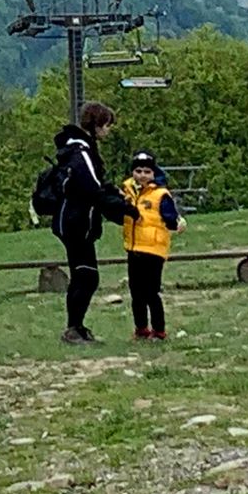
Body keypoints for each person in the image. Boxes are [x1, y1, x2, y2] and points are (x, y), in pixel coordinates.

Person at [51, 100, 137, 346]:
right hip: (75, 222)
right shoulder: (81, 153)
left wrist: (114, 195)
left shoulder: (80, 149)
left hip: (75, 221)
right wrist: (124, 211)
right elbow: (93, 190)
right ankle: (73, 329)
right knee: (86, 276)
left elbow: (98, 185)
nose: (108, 131)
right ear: (96, 125)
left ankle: (76, 326)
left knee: (85, 275)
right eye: (107, 125)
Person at [120, 152, 184, 341]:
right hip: (133, 248)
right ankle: (141, 328)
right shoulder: (127, 191)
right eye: (138, 171)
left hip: (153, 250)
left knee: (151, 292)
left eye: (147, 171)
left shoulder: (160, 194)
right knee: (136, 292)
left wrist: (177, 222)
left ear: (154, 173)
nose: (142, 175)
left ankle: (159, 330)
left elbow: (170, 217)